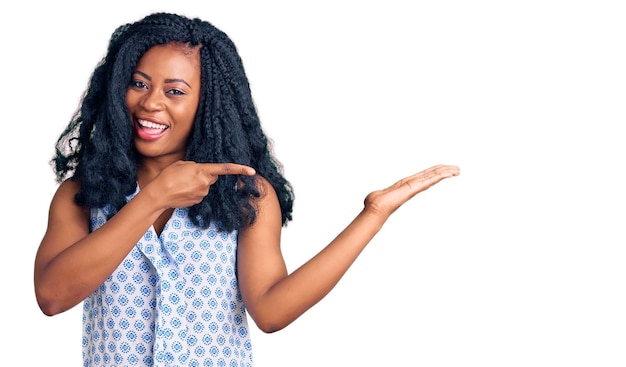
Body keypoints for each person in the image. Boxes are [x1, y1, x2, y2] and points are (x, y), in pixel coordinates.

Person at [33, 11, 460, 367]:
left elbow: (271, 312)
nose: (151, 103)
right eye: (139, 83)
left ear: (208, 102)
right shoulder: (82, 195)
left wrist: (374, 214)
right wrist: (154, 198)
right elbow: (51, 297)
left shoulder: (245, 196)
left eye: (175, 91)